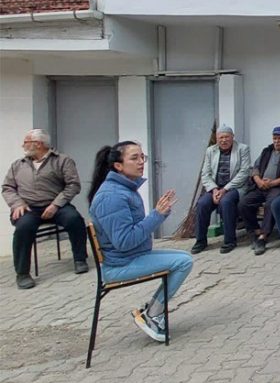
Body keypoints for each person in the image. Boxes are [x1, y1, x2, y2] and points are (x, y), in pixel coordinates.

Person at [88, 142, 193, 343]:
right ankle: (153, 315)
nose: (141, 162)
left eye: (142, 157)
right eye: (134, 158)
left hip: (129, 257)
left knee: (184, 258)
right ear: (118, 166)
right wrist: (156, 215)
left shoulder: (123, 189)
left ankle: (151, 310)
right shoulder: (112, 196)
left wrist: (158, 214)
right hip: (119, 264)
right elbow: (125, 241)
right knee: (183, 262)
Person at [3, 129, 88, 289]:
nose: (23, 145)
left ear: (38, 144)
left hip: (56, 204)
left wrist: (56, 204)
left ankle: (80, 259)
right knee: (23, 227)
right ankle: (22, 274)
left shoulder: (62, 160)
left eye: (26, 142)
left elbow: (73, 185)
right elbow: (7, 187)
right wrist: (17, 204)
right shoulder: (17, 165)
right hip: (29, 208)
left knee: (74, 219)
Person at [238, 126, 280, 255]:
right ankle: (255, 232)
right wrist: (258, 180)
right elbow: (255, 168)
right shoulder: (266, 151)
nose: (277, 141)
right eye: (275, 138)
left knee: (272, 203)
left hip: (278, 187)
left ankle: (263, 238)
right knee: (243, 203)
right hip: (261, 186)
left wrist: (273, 183)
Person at [191, 125, 251, 254]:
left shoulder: (242, 149)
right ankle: (200, 241)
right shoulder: (210, 151)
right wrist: (214, 190)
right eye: (221, 137)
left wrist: (225, 189)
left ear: (232, 137)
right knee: (202, 204)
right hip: (215, 188)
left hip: (235, 187)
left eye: (227, 137)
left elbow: (244, 172)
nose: (224, 140)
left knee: (226, 202)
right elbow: (205, 173)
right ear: (217, 139)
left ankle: (230, 241)